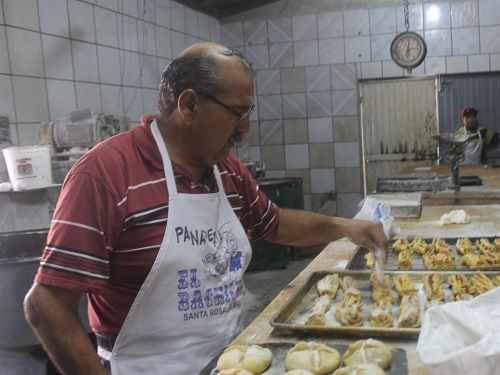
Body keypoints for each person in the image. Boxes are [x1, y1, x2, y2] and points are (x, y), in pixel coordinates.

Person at [24, 42, 387, 374]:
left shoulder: (226, 168)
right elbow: (46, 305)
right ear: (189, 105)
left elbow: (273, 224)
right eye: (237, 112)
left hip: (230, 360)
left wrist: (344, 226)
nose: (245, 128)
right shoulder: (106, 174)